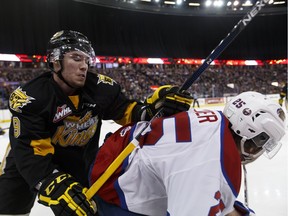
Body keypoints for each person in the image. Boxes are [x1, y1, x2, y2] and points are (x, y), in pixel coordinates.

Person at [0, 30, 193, 215]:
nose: (84, 66)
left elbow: (128, 112)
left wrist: (153, 109)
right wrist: (52, 182)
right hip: (27, 160)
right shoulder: (31, 98)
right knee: (9, 210)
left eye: (86, 60)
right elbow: (31, 151)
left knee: (83, 209)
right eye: (76, 58)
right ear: (55, 60)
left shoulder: (101, 88)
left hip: (77, 159)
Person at [89, 91, 286, 216]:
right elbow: (201, 187)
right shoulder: (206, 166)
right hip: (114, 193)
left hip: (119, 163)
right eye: (261, 142)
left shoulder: (215, 122)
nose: (258, 151)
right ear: (248, 133)